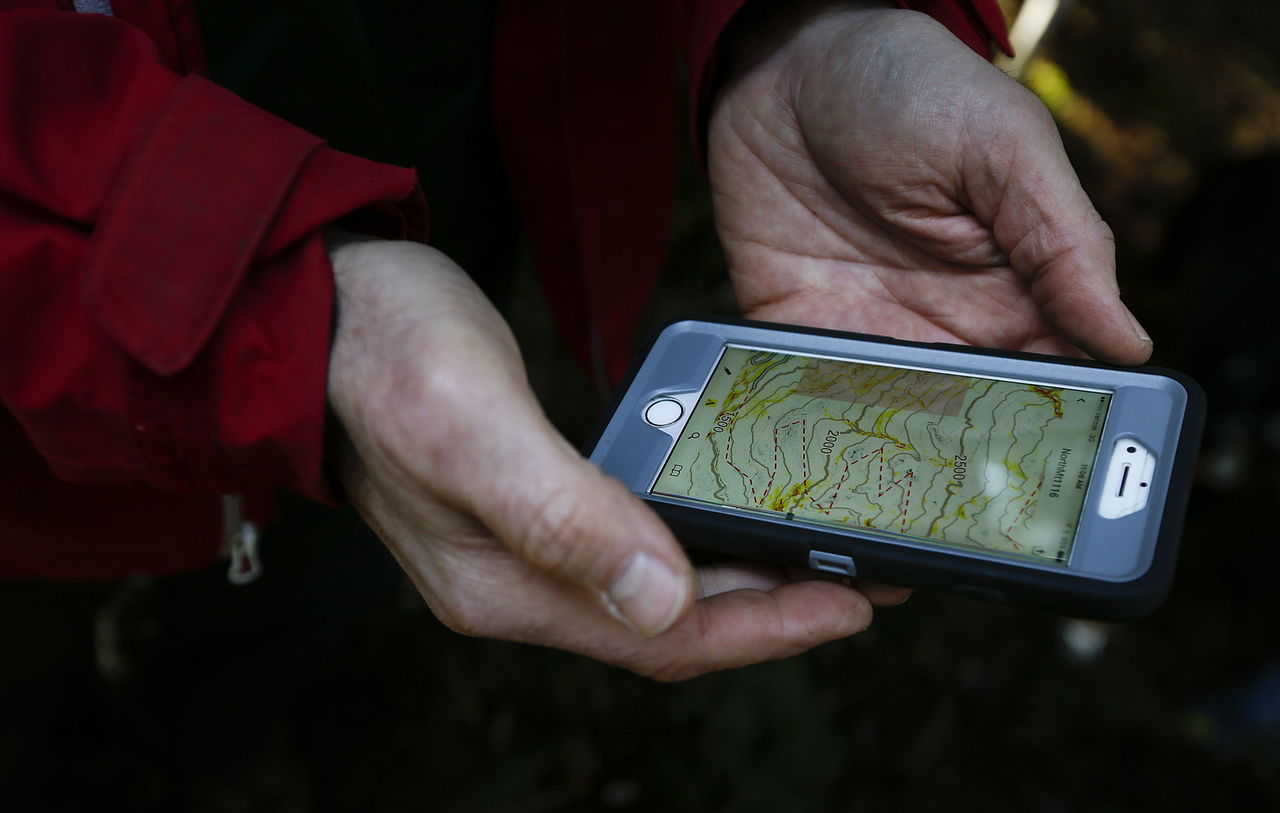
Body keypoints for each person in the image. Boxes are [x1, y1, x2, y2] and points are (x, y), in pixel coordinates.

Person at [0, 0, 1150, 688]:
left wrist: (802, 20)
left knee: (319, 576)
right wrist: (288, 326)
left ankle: (231, 728)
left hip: (443, 216)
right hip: (43, 439)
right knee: (40, 633)